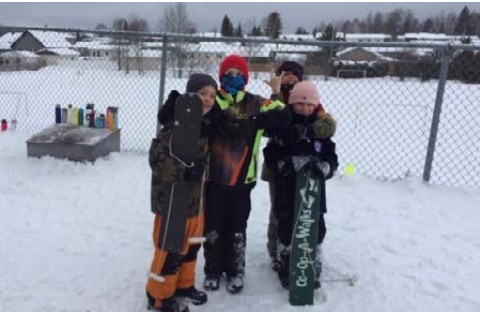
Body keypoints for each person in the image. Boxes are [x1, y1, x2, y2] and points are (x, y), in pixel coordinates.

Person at [202, 54, 291, 294]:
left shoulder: (255, 104)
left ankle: (235, 270)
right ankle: (212, 270)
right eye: (228, 74)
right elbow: (194, 115)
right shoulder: (214, 100)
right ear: (221, 77)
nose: (233, 78)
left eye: (238, 74)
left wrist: (276, 92)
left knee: (237, 226)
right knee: (213, 225)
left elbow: (283, 118)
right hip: (213, 177)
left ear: (246, 78)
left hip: (243, 179)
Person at [146, 73, 220, 312]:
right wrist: (183, 170)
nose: (208, 100)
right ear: (190, 96)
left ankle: (183, 285)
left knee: (191, 246)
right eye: (202, 94)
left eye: (212, 95)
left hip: (194, 202)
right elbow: (157, 159)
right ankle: (160, 296)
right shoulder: (175, 125)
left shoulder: (203, 126)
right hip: (172, 203)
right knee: (170, 248)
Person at [261, 61, 337, 272]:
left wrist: (305, 130)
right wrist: (276, 94)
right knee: (280, 211)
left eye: (295, 74)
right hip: (280, 168)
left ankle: (309, 252)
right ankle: (277, 251)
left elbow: (329, 125)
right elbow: (271, 126)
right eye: (285, 74)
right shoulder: (275, 99)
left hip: (309, 168)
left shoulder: (308, 97)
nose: (290, 78)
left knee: (309, 212)